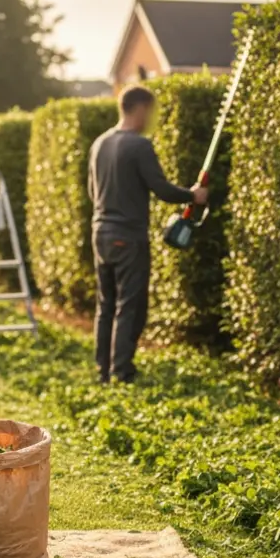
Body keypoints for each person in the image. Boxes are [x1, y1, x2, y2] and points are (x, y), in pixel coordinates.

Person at [89, 86, 209, 383]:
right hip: (128, 236)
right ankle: (123, 372)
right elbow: (161, 189)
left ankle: (103, 370)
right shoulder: (139, 146)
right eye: (150, 111)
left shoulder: (99, 144)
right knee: (130, 304)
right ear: (140, 108)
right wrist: (193, 195)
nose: (151, 118)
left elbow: (93, 191)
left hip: (100, 232)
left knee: (106, 304)